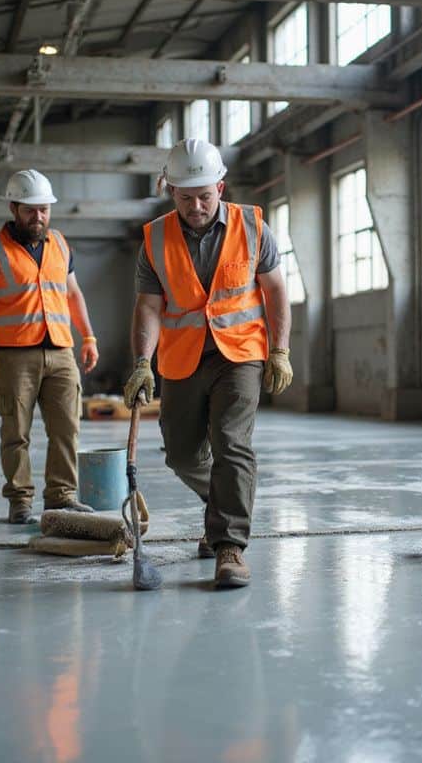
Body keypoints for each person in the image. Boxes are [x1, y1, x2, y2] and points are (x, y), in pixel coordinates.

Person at [124, 139, 293, 589]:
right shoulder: (155, 239)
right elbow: (148, 307)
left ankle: (229, 547)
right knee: (181, 454)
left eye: (205, 195)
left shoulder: (253, 227)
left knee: (231, 444)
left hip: (239, 354)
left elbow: (276, 291)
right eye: (185, 197)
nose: (196, 206)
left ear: (221, 185)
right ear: (169, 189)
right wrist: (142, 363)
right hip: (181, 358)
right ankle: (221, 508)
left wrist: (279, 349)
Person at [0, 169, 99, 525]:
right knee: (15, 431)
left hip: (60, 351)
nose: (38, 217)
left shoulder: (60, 245)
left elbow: (73, 294)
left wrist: (89, 336)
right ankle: (20, 500)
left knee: (67, 428)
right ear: (13, 208)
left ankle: (62, 496)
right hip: (14, 354)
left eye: (44, 209)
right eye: (30, 210)